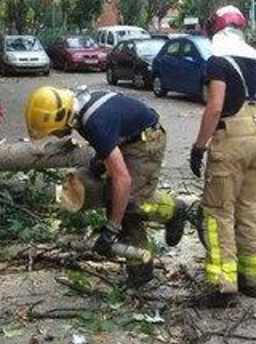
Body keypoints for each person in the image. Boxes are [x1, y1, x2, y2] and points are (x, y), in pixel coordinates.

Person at [25, 86, 189, 287]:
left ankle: (168, 220)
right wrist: (102, 160)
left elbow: (123, 180)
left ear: (62, 116)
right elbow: (113, 130)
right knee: (116, 202)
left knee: (128, 206)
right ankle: (141, 264)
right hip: (127, 139)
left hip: (146, 141)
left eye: (55, 131)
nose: (58, 136)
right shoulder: (79, 111)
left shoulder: (94, 123)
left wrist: (112, 228)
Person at [189, 5, 256, 307]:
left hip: (230, 137)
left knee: (218, 211)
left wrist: (199, 146)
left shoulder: (218, 61)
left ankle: (224, 284)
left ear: (216, 29)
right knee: (251, 210)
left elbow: (215, 106)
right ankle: (253, 279)